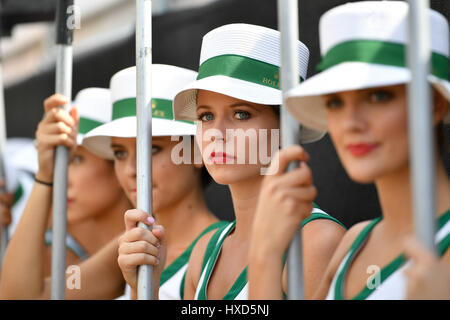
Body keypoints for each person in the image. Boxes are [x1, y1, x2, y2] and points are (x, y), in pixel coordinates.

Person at [281, 1, 449, 299]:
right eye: (335, 102)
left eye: (378, 96)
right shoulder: (353, 244)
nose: (350, 123)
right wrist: (264, 254)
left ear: (435, 104)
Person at [169, 23, 345, 300]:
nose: (216, 133)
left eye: (241, 114)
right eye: (206, 116)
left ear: (286, 126)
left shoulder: (315, 242)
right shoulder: (205, 251)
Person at [84, 64, 225, 300]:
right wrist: (45, 177)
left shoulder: (223, 252)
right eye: (119, 153)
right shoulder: (128, 247)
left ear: (197, 150)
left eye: (152, 149)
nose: (131, 170)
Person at [0, 88, 132, 298]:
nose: (62, 176)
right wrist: (45, 176)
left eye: (77, 160)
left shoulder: (139, 240)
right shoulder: (116, 251)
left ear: (119, 162)